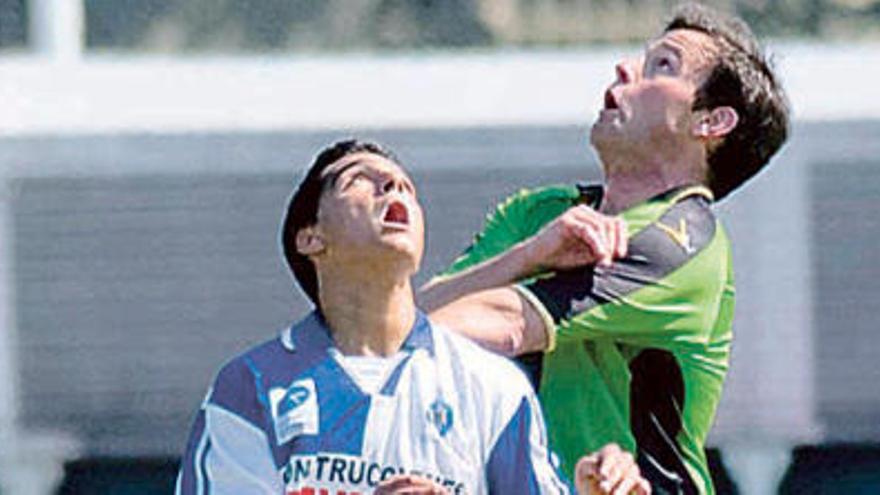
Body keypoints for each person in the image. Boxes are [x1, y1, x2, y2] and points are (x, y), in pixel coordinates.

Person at [420, 4, 789, 494]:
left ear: (711, 121)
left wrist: (365, 336)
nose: (623, 69)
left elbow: (454, 327)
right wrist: (527, 256)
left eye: (663, 65)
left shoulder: (684, 240)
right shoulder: (540, 214)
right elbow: (414, 318)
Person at [175, 139, 651, 495]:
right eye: (359, 178)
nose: (394, 185)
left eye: (405, 185)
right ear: (310, 238)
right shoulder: (250, 387)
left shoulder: (494, 388)